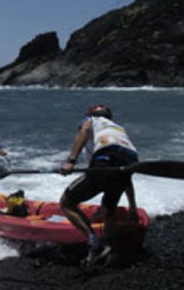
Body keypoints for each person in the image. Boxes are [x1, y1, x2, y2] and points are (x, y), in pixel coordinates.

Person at [59, 104, 139, 266]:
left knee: (66, 203)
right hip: (131, 159)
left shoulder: (91, 120)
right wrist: (132, 207)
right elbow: (127, 179)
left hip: (105, 158)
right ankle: (110, 250)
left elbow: (84, 131)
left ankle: (94, 242)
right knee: (108, 211)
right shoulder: (117, 128)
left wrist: (71, 161)